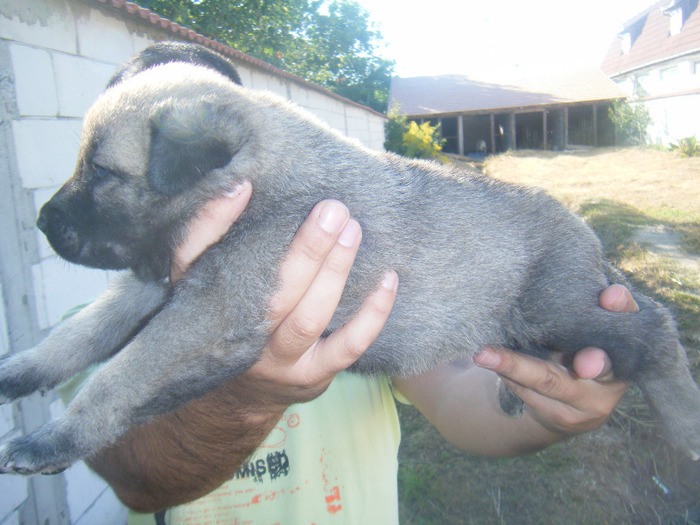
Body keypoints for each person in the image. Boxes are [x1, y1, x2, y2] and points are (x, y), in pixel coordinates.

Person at [86, 181, 635, 524]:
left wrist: (549, 406)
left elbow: (455, 392)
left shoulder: (348, 285)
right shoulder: (97, 331)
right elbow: (138, 479)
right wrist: (245, 395)